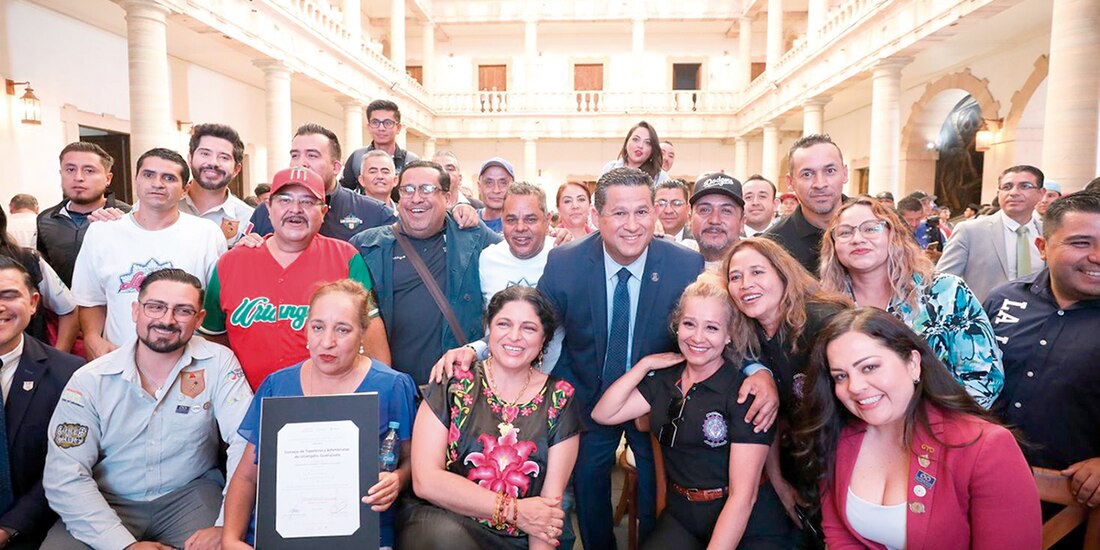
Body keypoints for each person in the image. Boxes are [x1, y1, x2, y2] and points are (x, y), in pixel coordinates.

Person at [792, 307, 1041, 549]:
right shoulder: (841, 435)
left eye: (869, 367)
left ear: (913, 363)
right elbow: (842, 537)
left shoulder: (986, 446)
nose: (854, 387)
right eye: (840, 376)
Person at [43, 268, 252, 550]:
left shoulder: (218, 362)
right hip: (107, 499)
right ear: (135, 311)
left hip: (190, 495)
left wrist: (224, 524)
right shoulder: (90, 380)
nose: (167, 320)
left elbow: (246, 441)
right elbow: (64, 474)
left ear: (199, 319)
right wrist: (123, 546)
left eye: (183, 311)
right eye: (155, 307)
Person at [592, 275, 788, 549]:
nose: (697, 337)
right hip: (683, 515)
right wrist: (644, 365)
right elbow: (603, 414)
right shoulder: (664, 379)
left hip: (748, 522)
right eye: (689, 324)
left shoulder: (744, 392)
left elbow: (743, 498)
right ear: (677, 326)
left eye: (711, 328)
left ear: (729, 334)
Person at [222, 279, 416, 549]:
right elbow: (246, 475)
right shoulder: (278, 385)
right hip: (279, 533)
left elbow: (410, 461)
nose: (327, 342)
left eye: (343, 330)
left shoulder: (392, 386)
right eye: (318, 327)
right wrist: (230, 539)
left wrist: (397, 479)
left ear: (362, 333)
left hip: (362, 532)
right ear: (306, 330)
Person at [400, 285, 579, 550]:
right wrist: (514, 510)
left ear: (543, 340)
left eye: (529, 328)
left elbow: (547, 512)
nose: (515, 336)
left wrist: (526, 522)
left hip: (521, 536)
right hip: (447, 525)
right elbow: (426, 480)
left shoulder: (560, 398)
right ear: (489, 329)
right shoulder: (452, 383)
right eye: (504, 324)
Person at [200, 167, 390, 389]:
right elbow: (213, 339)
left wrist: (379, 396)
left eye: (308, 202)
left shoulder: (346, 258)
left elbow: (370, 334)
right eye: (285, 200)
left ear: (324, 212)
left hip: (327, 402)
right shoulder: (230, 263)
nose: (295, 209)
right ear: (268, 208)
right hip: (247, 403)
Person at [818, 197, 1004, 408]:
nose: (857, 238)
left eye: (870, 229)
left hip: (941, 429)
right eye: (845, 232)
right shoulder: (823, 307)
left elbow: (986, 379)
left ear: (893, 235)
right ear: (833, 245)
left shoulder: (946, 292)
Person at [984, 193, 1100, 524]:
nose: (1097, 256)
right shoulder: (1002, 301)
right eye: (1081, 243)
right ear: (1042, 246)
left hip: (1076, 507)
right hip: (979, 484)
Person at [724, 237, 849, 541]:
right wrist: (780, 483)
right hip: (795, 468)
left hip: (846, 466)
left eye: (757, 272)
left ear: (783, 273)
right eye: (735, 277)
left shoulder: (826, 323)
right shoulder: (747, 333)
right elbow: (767, 418)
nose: (745, 284)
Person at [351, 160, 501, 385]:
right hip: (397, 388)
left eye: (427, 189)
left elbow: (518, 255)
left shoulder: (473, 236)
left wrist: (559, 240)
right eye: (407, 190)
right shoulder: (366, 247)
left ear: (448, 198)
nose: (416, 198)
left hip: (460, 388)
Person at [71, 148, 226, 360]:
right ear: (136, 180)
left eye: (169, 178)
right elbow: (90, 299)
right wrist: (92, 338)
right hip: (118, 358)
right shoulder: (102, 231)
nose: (157, 184)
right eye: (148, 175)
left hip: (187, 360)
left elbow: (214, 305)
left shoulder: (206, 234)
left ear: (185, 188)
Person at [0, 258, 83, 549]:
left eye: (8, 296)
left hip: (33, 530)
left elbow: (67, 466)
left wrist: (10, 528)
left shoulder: (69, 375)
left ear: (34, 302)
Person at [249, 123, 398, 242]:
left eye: (312, 155)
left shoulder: (375, 213)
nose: (301, 163)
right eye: (295, 155)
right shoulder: (266, 211)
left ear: (336, 167)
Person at [938, 165, 1046, 301]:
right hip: (985, 317)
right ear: (998, 193)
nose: (1014, 192)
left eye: (1024, 186)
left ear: (1041, 193)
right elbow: (943, 282)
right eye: (1007, 187)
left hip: (1038, 318)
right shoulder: (970, 232)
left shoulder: (1049, 233)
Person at [37, 142, 132, 288]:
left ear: (108, 178)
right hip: (62, 308)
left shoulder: (127, 216)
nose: (78, 177)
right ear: (61, 173)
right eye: (70, 169)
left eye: (89, 171)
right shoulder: (46, 219)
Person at [765, 134, 847, 275]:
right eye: (807, 174)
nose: (820, 184)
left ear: (845, 174)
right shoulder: (773, 247)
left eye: (830, 171)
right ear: (790, 182)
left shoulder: (880, 224)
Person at [179, 123, 255, 245]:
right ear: (190, 159)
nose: (213, 162)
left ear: (236, 169)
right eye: (205, 154)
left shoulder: (248, 218)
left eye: (224, 157)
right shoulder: (162, 206)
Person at [339, 99, 420, 191]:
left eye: (388, 123)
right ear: (369, 127)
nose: (381, 128)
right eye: (375, 123)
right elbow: (344, 193)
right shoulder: (357, 158)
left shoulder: (411, 162)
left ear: (398, 128)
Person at [688, 173, 745, 271]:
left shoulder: (759, 265)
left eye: (726, 211)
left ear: (742, 223)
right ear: (689, 219)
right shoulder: (675, 262)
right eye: (705, 210)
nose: (714, 220)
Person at [600, 121, 670, 184]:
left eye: (647, 142)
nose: (640, 146)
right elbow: (597, 197)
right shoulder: (610, 168)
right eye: (636, 139)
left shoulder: (660, 177)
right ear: (627, 141)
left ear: (652, 150)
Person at [477, 157, 515, 233]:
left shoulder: (521, 225)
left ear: (513, 186)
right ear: (479, 186)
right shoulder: (468, 221)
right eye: (489, 183)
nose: (496, 190)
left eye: (503, 183)